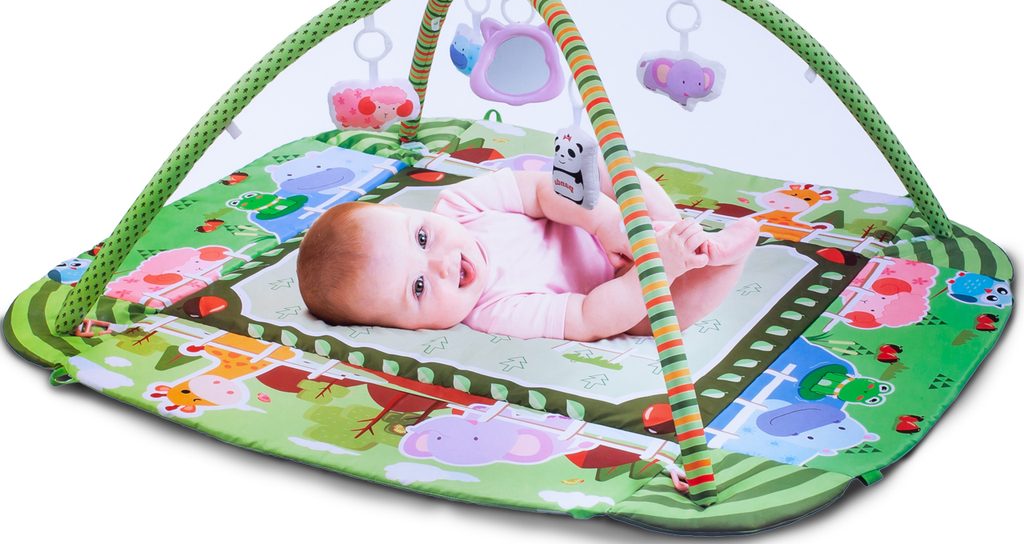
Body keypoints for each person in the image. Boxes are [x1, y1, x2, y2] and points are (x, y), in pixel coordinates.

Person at [297, 163, 759, 342]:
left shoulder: (460, 206)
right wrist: (654, 273)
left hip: (602, 220)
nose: (440, 264)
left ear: (406, 211)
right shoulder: (492, 313)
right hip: (622, 292)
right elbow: (590, 317)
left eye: (421, 239)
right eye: (418, 288)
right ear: (406, 327)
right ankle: (714, 256)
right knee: (667, 316)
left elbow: (541, 190)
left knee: (602, 172)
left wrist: (605, 223)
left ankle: (669, 228)